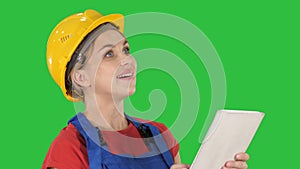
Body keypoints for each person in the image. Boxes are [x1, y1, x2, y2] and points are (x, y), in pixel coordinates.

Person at [42, 9, 250, 169]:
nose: (127, 60)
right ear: (81, 76)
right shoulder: (69, 147)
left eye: (125, 49)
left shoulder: (159, 135)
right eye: (109, 54)